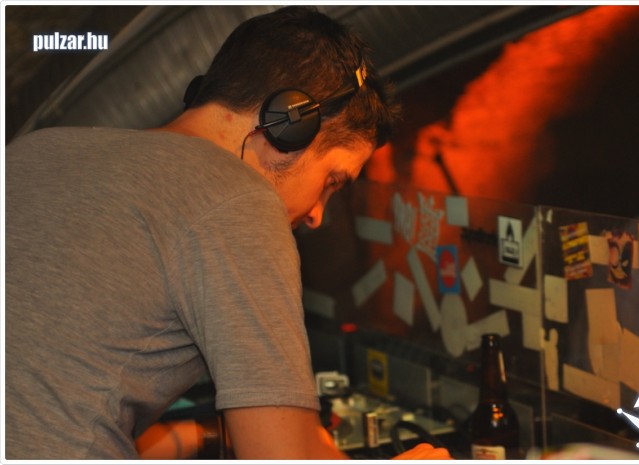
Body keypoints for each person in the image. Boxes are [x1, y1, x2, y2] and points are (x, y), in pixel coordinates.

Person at [4, 6, 451, 460]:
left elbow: (49, 411)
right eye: (332, 181)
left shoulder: (32, 152)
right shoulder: (238, 200)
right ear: (289, 125)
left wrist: (206, 435)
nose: (318, 214)